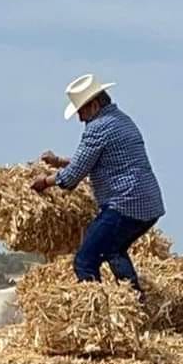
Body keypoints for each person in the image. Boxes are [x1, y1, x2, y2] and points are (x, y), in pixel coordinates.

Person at [31, 74, 165, 290]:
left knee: (85, 261)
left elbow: (72, 177)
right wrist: (58, 161)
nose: (80, 118)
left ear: (93, 105)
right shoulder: (121, 120)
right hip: (147, 204)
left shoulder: (98, 127)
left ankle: (97, 315)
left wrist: (45, 182)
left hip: (124, 204)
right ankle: (133, 302)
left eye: (81, 111)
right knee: (113, 250)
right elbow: (96, 159)